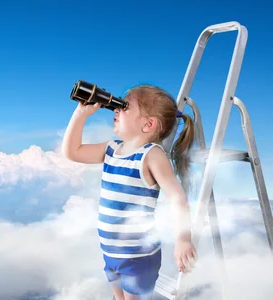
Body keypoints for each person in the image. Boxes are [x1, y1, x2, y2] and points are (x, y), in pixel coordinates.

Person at [61, 84, 198, 300]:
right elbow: (72, 152)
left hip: (138, 256)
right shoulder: (110, 149)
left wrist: (183, 239)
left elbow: (177, 197)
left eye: (125, 107)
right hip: (111, 253)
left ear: (148, 124)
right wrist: (81, 113)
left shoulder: (151, 155)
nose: (116, 109)